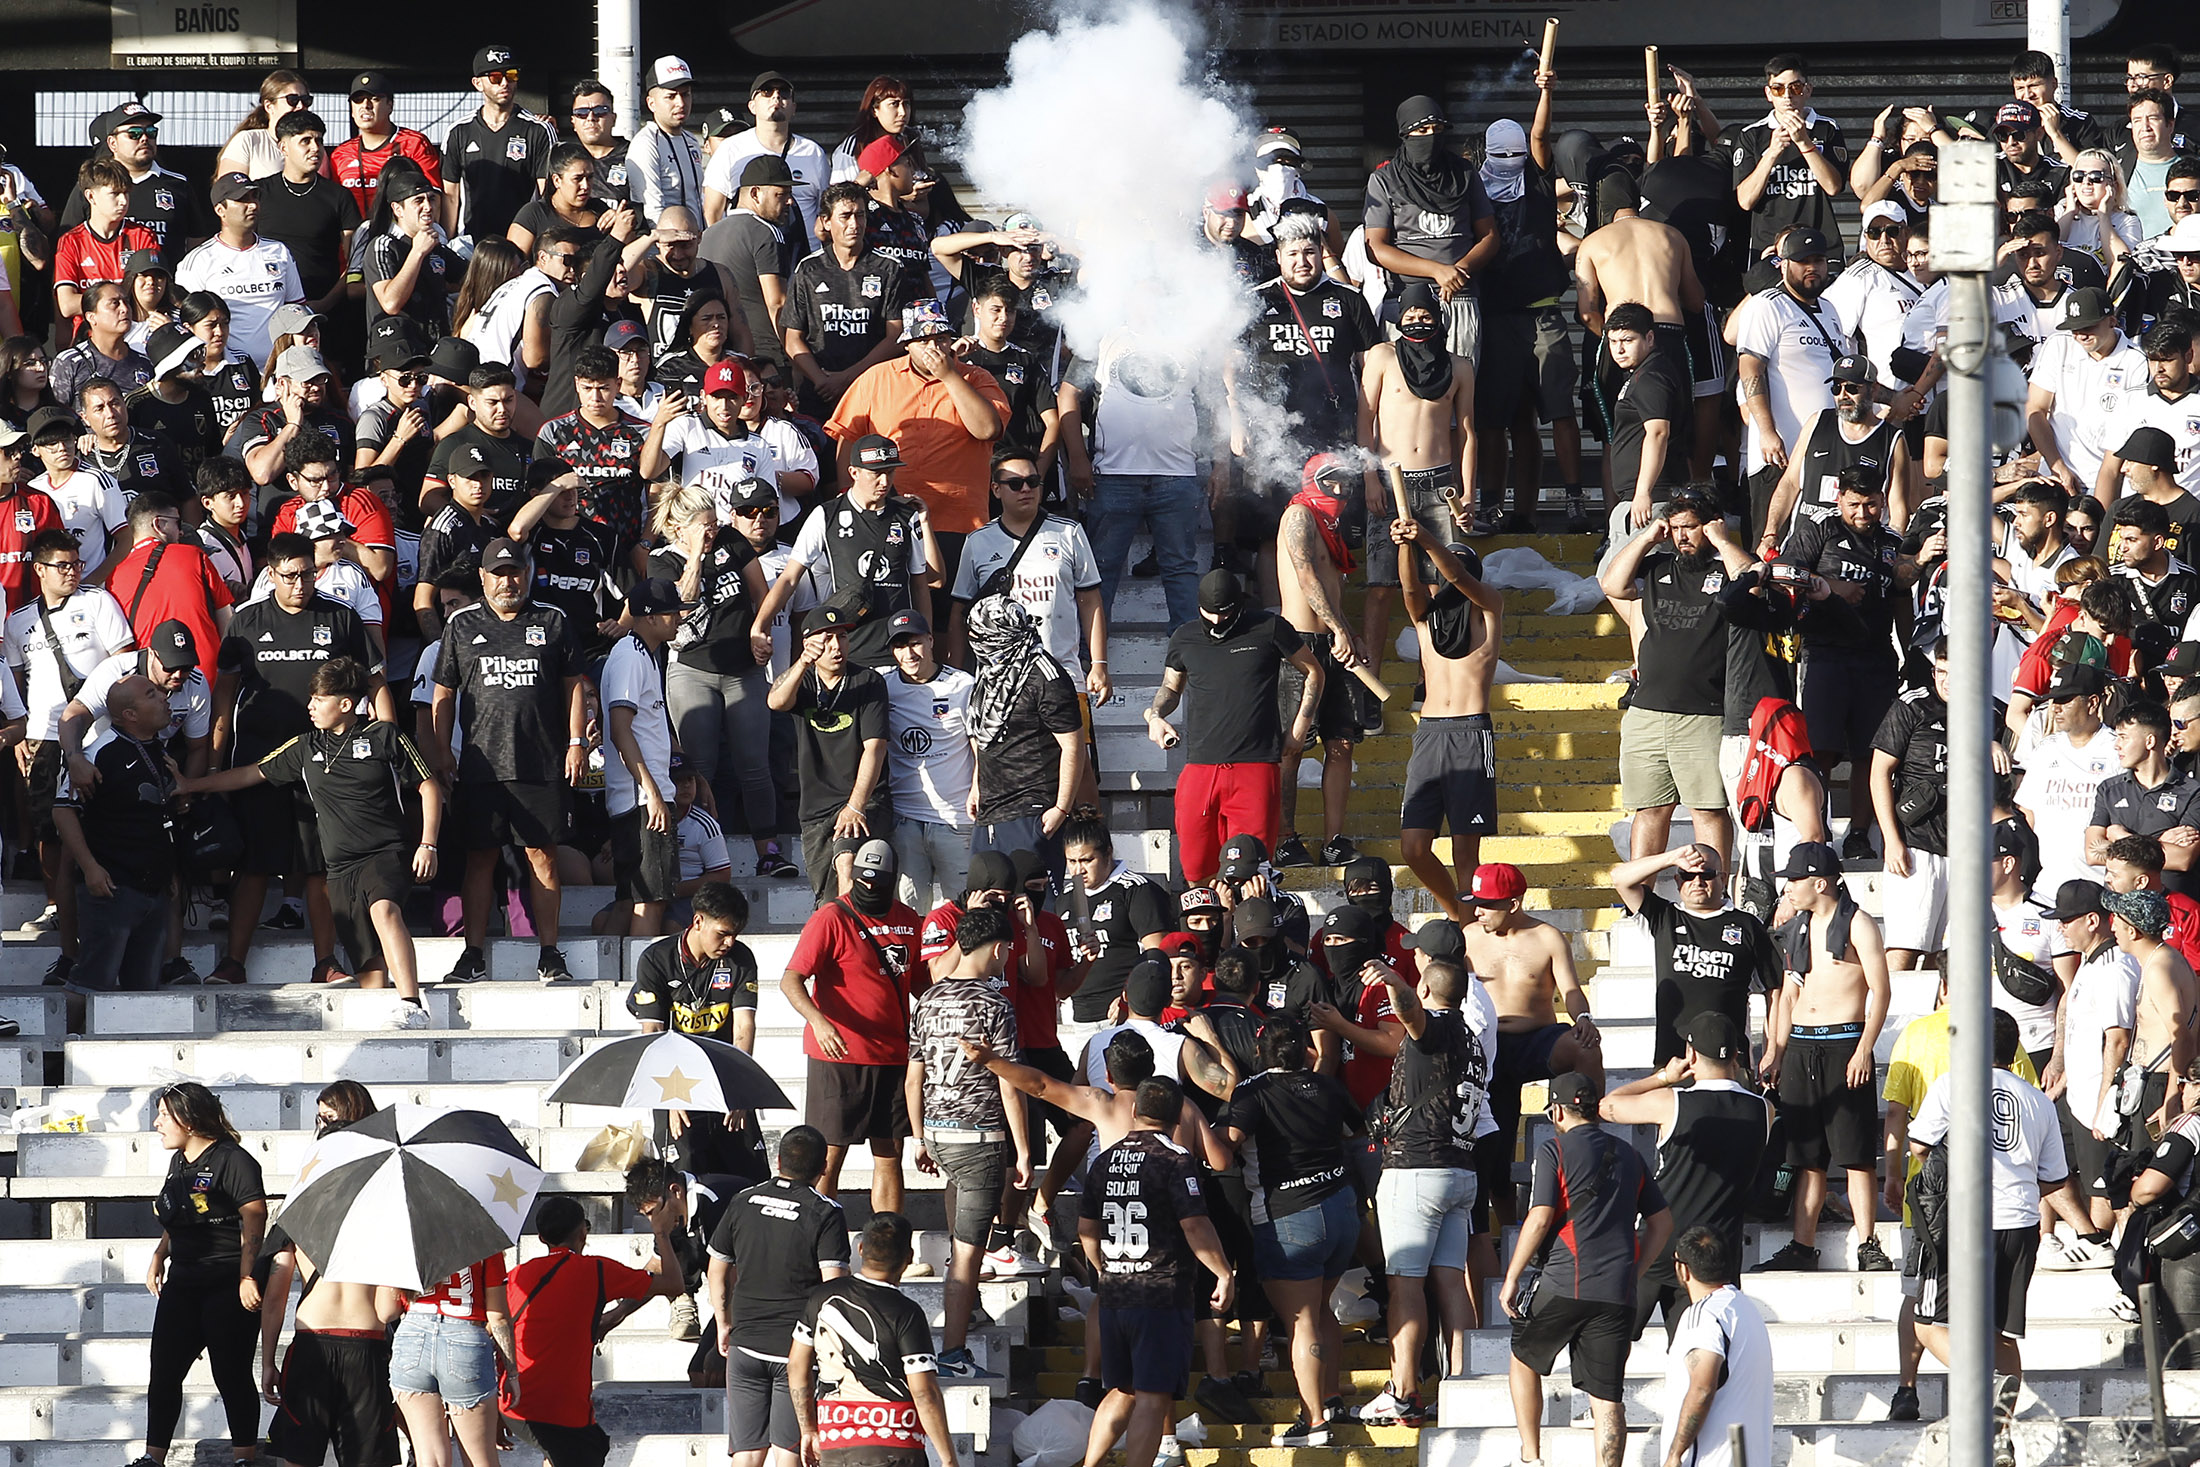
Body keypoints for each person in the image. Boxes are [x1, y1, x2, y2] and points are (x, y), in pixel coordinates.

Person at [212, 533, 386, 987]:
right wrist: (213, 763)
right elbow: (223, 698)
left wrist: (385, 740)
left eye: (308, 574)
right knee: (254, 865)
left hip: (327, 763)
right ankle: (232, 962)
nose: (300, 584)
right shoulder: (247, 621)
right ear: (271, 574)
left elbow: (374, 682)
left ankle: (325, 961)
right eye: (289, 576)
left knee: (320, 866)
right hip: (261, 761)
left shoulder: (340, 616)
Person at [428, 537, 587, 985]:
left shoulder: (552, 619)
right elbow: (443, 692)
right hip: (481, 765)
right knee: (480, 858)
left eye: (514, 572)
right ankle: (473, 954)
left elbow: (573, 684)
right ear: (483, 578)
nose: (507, 582)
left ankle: (549, 953)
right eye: (498, 574)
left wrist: (576, 741)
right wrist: (441, 751)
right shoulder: (461, 624)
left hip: (541, 761)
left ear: (527, 573)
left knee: (543, 857)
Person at [1502, 1071, 1673, 1467]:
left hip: (1565, 1281)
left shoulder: (1554, 1150)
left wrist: (1511, 1277)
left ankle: (1531, 1457)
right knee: (1607, 1399)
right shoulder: (1629, 1155)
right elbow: (1662, 1223)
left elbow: (1540, 1217)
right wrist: (1635, 1271)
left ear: (1557, 1111)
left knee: (1523, 1359)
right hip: (1617, 1292)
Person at [1908, 1010, 2067, 1428]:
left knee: (1927, 1324)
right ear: (2014, 1051)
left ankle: (1985, 1383)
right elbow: (2054, 1178)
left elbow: (1919, 1144)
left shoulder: (1953, 1084)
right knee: (2002, 1335)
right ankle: (2001, 1434)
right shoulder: (2037, 1100)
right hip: (2020, 1222)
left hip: (1965, 1222)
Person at [1356, 953, 1495, 1426]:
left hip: (1417, 1169)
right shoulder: (1471, 1037)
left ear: (1427, 989)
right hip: (1460, 1169)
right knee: (1451, 1281)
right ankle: (1464, 1382)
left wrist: (1395, 983)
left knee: (1405, 1283)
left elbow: (1412, 1015)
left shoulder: (1431, 1025)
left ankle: (1403, 1390)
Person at [1218, 1020, 1366, 1446]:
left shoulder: (1253, 1091)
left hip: (1289, 1215)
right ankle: (1331, 1399)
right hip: (1342, 1209)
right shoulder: (1328, 1085)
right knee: (1321, 1310)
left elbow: (1229, 1142)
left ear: (1259, 1051)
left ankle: (1314, 1420)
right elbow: (1357, 1129)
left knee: (1301, 1321)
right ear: (1306, 1051)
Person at [1079, 1079, 1236, 1467]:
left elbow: (1086, 1229)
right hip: (1160, 1295)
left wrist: (1105, 1270)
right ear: (1179, 1115)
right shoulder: (1175, 1159)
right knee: (1152, 1395)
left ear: (1135, 1111)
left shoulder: (1104, 1159)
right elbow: (1195, 1225)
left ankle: (1091, 1463)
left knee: (1123, 1389)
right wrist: (1223, 1272)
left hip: (1116, 1291)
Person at [1759, 841, 1894, 1272]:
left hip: (1844, 1042)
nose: (1788, 888)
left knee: (1855, 1155)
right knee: (1807, 1158)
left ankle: (1868, 1243)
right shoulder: (1798, 926)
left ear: (1820, 882)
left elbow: (1881, 991)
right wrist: (1775, 1050)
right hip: (1801, 1045)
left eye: (1795, 880)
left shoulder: (1858, 923)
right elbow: (1789, 994)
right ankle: (1802, 1245)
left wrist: (1864, 1049)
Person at [905, 904, 1026, 1378]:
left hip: (936, 1132)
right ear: (996, 949)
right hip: (978, 1137)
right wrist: (1023, 1151)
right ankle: (953, 1352)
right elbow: (1010, 1083)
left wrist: (919, 1136)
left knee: (964, 1240)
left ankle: (962, 1324)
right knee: (967, 1254)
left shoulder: (928, 1000)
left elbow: (913, 1077)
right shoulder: (995, 1005)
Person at [1603, 492, 1754, 865]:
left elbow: (1753, 582)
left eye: (1690, 527)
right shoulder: (1656, 566)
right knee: (1649, 810)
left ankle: (1716, 887)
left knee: (1707, 810)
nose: (1681, 536)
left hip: (1703, 713)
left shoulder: (1726, 568)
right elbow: (1612, 585)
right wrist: (1646, 538)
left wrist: (1722, 541)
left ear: (1711, 525)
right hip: (1647, 711)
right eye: (1674, 528)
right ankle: (1642, 893)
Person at [1600, 1013, 1771, 1341]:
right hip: (1712, 1252)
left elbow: (1608, 1105)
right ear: (1736, 1056)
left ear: (1691, 1054)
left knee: (1609, 1345)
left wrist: (1664, 1077)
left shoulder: (1672, 1102)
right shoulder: (1763, 1110)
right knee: (1698, 1353)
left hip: (1657, 1243)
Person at [1149, 569, 1322, 885]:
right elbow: (1171, 687)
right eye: (1209, 614)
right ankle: (1211, 917)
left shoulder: (1268, 627)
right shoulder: (1185, 636)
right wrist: (1156, 715)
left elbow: (1313, 671)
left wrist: (1300, 728)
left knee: (1251, 871)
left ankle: (1250, 915)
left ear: (1239, 606)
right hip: (1201, 766)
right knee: (1196, 870)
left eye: (1225, 614)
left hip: (1254, 765)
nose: (1217, 621)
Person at [827, 300, 1008, 589]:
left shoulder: (977, 378)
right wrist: (848, 496)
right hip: (887, 517)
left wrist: (949, 376)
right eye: (923, 341)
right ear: (906, 344)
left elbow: (987, 429)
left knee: (952, 606)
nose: (933, 348)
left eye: (941, 339)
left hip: (959, 520)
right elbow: (848, 438)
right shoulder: (876, 377)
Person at [781, 837, 920, 1207]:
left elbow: (923, 982)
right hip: (839, 1054)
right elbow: (791, 979)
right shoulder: (831, 917)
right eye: (863, 881)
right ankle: (820, 1235)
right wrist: (819, 1022)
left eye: (878, 882)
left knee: (890, 1154)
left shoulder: (908, 919)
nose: (869, 888)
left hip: (893, 1054)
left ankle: (888, 1235)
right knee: (827, 1158)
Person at [501, 1195, 685, 1467]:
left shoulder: (516, 1275)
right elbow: (674, 1284)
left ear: (541, 1238)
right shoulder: (596, 1270)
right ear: (583, 1232)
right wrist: (661, 1234)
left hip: (514, 1405)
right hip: (565, 1412)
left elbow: (497, 1331)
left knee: (558, 1451)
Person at [705, 1126, 851, 1467]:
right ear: (824, 1167)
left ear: (779, 1161)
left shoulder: (743, 1200)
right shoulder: (825, 1211)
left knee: (747, 1453)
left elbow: (717, 1270)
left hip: (744, 1343)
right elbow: (833, 1290)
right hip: (795, 1351)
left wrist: (723, 1324)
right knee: (789, 1451)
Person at [143, 1082, 267, 1467]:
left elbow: (255, 1216)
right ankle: (152, 1458)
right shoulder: (179, 1161)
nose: (157, 1123)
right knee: (164, 1373)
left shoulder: (233, 1159)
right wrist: (160, 1253)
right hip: (183, 1281)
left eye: (165, 1115)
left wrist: (246, 1276)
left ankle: (244, 1458)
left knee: (231, 1374)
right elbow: (180, 1213)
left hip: (226, 1281)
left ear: (190, 1119)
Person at [789, 1214, 961, 1467]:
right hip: (895, 1446)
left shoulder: (821, 1297)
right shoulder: (906, 1312)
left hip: (835, 1446)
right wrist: (948, 1459)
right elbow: (924, 1392)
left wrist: (808, 1429)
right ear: (909, 1257)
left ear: (860, 1249)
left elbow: (796, 1366)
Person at [755, 434, 931, 673]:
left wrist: (925, 641)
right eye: (876, 473)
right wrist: (760, 625)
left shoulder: (906, 516)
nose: (884, 481)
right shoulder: (825, 515)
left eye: (890, 472)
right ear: (854, 472)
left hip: (898, 652)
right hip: (847, 651)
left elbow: (920, 584)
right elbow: (789, 578)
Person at [50, 672, 179, 994]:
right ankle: (71, 1029)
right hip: (112, 888)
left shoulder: (159, 750)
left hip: (154, 887)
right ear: (130, 715)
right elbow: (62, 811)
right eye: (151, 695)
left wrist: (169, 871)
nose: (163, 697)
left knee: (143, 991)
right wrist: (90, 868)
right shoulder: (98, 753)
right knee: (92, 985)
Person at [1275, 455, 1371, 869]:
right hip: (1300, 644)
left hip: (1333, 640)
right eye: (1331, 482)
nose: (1340, 491)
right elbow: (1306, 577)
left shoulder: (1331, 528)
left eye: (1345, 483)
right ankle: (1284, 839)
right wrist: (1339, 630)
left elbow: (1331, 591)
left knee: (1341, 742)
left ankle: (1334, 841)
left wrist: (1348, 630)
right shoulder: (1299, 515)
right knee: (1292, 746)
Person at [1736, 227, 1851, 541]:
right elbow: (1750, 367)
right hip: (1780, 454)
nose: (1812, 268)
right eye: (1802, 261)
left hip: (1824, 457)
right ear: (1784, 264)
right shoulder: (1767, 305)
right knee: (1770, 546)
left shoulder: (1830, 309)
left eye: (1818, 260)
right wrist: (1766, 431)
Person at [1363, 96, 1497, 363]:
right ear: (1405, 134)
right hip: (1407, 302)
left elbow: (1490, 236)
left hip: (1459, 298)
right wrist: (1436, 271)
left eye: (1437, 129)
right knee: (1405, 384)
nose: (1431, 137)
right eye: (1422, 130)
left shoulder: (1464, 174)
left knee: (1461, 379)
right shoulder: (1385, 180)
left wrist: (1459, 271)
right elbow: (1375, 248)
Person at [603, 578, 686, 939]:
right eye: (672, 613)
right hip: (641, 800)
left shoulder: (643, 654)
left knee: (629, 900)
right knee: (650, 900)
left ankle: (606, 966)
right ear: (650, 617)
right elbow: (621, 730)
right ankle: (643, 972)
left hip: (639, 797)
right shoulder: (630, 656)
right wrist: (651, 792)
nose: (679, 619)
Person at [781, 182, 907, 420]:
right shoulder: (808, 269)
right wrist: (822, 380)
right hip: (819, 393)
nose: (854, 224)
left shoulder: (888, 268)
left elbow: (896, 337)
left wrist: (848, 378)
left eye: (860, 215)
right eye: (845, 216)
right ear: (826, 221)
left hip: (872, 390)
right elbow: (793, 338)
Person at [1653, 1227, 1775, 1467]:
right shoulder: (1745, 1308)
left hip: (1709, 1459)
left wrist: (1675, 1454)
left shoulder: (1703, 1316)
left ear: (1683, 1269)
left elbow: (1702, 1388)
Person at [385, 1244, 512, 1467]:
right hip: (465, 1336)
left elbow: (386, 1312)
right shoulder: (482, 1239)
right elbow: (498, 1317)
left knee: (430, 1460)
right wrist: (512, 1373)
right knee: (480, 1459)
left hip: (412, 1339)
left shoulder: (407, 1242)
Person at [174, 174, 303, 370]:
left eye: (254, 197)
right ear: (220, 210)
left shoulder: (279, 252)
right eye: (242, 199)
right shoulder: (198, 261)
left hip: (279, 370)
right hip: (227, 372)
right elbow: (186, 323)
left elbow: (296, 310)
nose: (252, 205)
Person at [442, 47, 557, 243]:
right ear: (477, 83)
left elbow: (547, 195)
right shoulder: (458, 131)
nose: (505, 83)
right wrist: (447, 243)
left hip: (521, 244)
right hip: (471, 243)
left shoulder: (538, 129)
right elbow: (450, 196)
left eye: (511, 75)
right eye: (495, 77)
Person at [703, 71, 829, 243]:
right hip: (746, 251)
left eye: (784, 92)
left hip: (803, 254)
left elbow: (826, 211)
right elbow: (712, 212)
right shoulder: (730, 149)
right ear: (752, 106)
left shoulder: (813, 152)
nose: (776, 97)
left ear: (793, 108)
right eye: (766, 92)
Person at [329, 72, 443, 220]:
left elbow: (433, 197)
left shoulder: (414, 144)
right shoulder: (341, 154)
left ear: (390, 104)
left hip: (401, 232)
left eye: (374, 99)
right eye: (358, 100)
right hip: (355, 233)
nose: (365, 105)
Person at [626, 56, 705, 225]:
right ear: (651, 103)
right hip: (667, 239)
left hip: (698, 237)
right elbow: (650, 209)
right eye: (671, 96)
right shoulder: (645, 144)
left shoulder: (691, 140)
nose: (681, 103)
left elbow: (699, 199)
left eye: (686, 94)